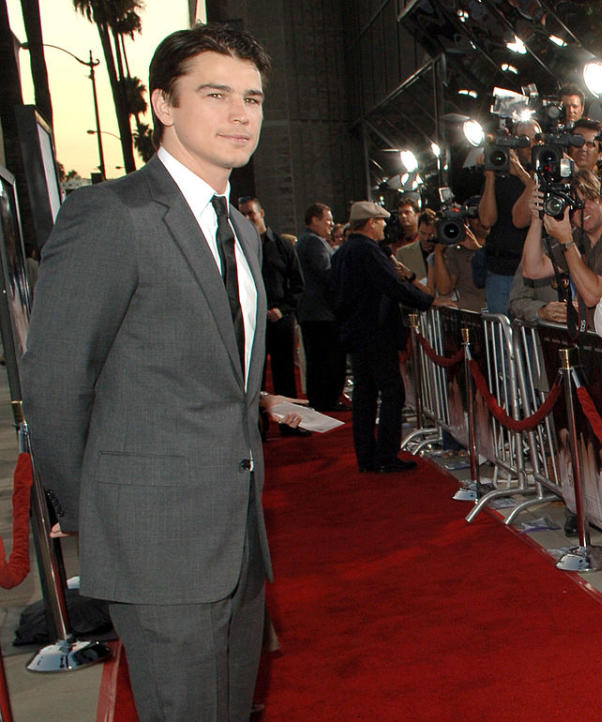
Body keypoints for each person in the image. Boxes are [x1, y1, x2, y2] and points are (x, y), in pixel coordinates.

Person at [21, 24, 276, 721]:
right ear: (164, 104)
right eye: (215, 94)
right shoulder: (113, 216)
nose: (239, 115)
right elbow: (55, 382)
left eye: (252, 98)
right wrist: (92, 515)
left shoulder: (243, 231)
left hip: (240, 539)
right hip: (155, 540)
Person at [331, 201, 434, 473]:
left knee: (364, 397)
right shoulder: (368, 252)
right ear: (371, 223)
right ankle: (387, 456)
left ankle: (366, 457)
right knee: (392, 393)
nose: (385, 228)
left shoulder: (342, 253)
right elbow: (392, 285)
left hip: (355, 333)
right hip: (375, 333)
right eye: (382, 222)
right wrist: (427, 301)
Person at [520, 169, 602, 330]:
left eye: (589, 200)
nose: (583, 210)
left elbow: (593, 295)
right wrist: (537, 217)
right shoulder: (580, 236)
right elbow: (532, 269)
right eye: (575, 205)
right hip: (595, 333)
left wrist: (567, 242)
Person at [239, 196, 306, 427]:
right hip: (251, 322)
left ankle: (290, 425)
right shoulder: (237, 249)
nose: (247, 218)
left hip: (281, 319)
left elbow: (298, 285)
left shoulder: (283, 245)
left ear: (262, 213)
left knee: (285, 374)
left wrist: (283, 309)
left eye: (251, 213)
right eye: (243, 214)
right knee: (253, 379)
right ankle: (258, 428)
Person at [479, 121, 539, 315]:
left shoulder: (544, 172)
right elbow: (486, 220)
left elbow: (538, 189)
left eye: (535, 139)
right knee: (504, 337)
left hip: (536, 271)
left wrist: (521, 173)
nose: (530, 145)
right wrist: (490, 176)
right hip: (502, 269)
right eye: (524, 140)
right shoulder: (500, 175)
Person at [297, 202, 348, 411]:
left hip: (313, 312)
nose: (331, 224)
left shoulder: (306, 241)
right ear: (315, 219)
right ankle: (326, 400)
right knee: (326, 360)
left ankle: (323, 399)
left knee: (319, 360)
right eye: (328, 220)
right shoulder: (314, 243)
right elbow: (327, 275)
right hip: (321, 314)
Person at [395, 209, 437, 283]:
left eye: (430, 235)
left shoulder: (446, 251)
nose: (426, 238)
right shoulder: (403, 253)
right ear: (418, 230)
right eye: (423, 233)